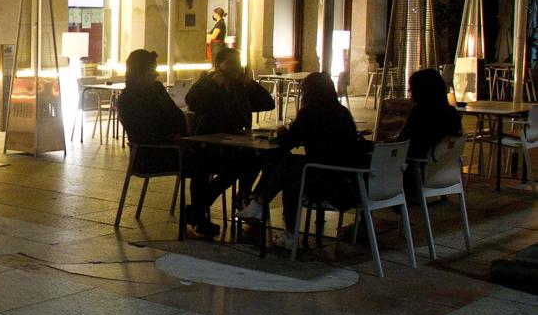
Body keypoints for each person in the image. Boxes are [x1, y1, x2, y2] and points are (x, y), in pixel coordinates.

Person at [239, 72, 366, 244]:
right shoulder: (342, 112)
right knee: (287, 165)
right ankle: (259, 202)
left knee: (289, 170)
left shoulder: (310, 112)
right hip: (346, 177)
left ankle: (263, 206)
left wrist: (282, 131)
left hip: (326, 180)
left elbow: (288, 141)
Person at [184, 46, 275, 236]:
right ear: (219, 65)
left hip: (235, 144)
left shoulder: (240, 87)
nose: (235, 68)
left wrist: (251, 84)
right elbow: (193, 101)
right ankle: (200, 212)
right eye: (231, 63)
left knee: (256, 158)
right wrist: (214, 84)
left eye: (238, 63)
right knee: (204, 166)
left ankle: (239, 197)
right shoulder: (207, 82)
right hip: (208, 144)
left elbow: (268, 103)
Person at [116, 48, 186, 174]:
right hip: (149, 156)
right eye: (152, 71)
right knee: (206, 162)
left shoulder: (158, 90)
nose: (156, 75)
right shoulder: (127, 100)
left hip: (172, 148)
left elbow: (178, 116)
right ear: (139, 75)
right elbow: (143, 135)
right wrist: (173, 139)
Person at [396, 68, 462, 159]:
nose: (409, 91)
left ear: (420, 92)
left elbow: (404, 143)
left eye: (411, 88)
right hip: (441, 168)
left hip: (414, 165)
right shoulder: (452, 114)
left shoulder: (420, 114)